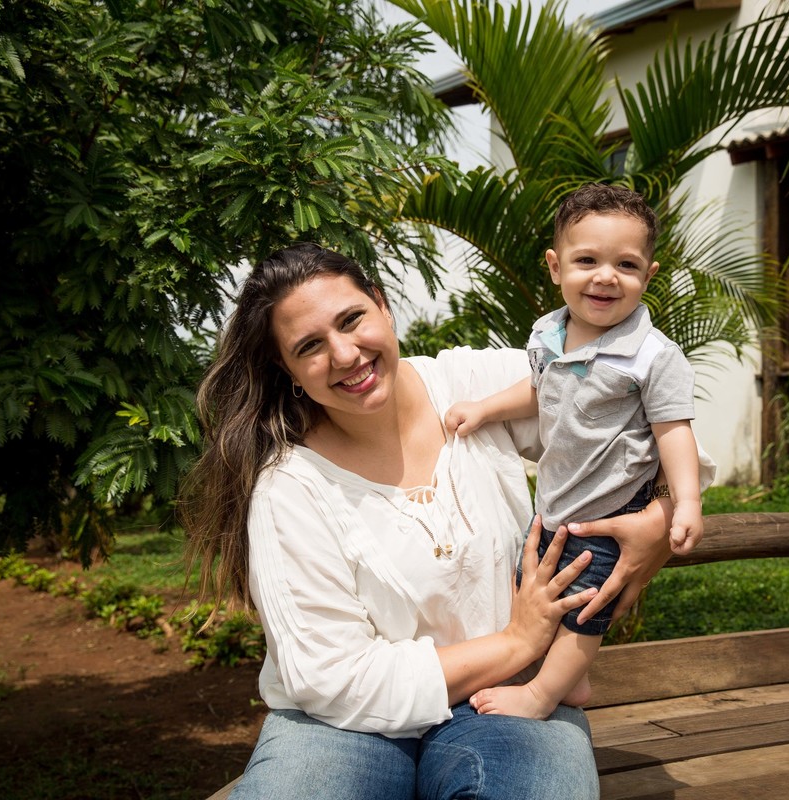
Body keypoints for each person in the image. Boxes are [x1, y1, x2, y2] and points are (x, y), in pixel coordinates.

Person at [180, 241, 690, 799]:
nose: (347, 354)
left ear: (381, 304)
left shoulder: (474, 384)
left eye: (353, 319)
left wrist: (660, 516)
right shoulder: (289, 487)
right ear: (288, 369)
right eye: (310, 346)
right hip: (340, 725)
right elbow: (331, 678)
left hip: (509, 703)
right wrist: (517, 645)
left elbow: (658, 421)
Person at [445, 183, 709, 720]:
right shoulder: (547, 334)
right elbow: (537, 388)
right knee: (531, 586)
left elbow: (674, 431)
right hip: (555, 505)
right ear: (555, 266)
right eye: (586, 259)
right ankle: (575, 679)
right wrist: (486, 409)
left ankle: (543, 696)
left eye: (626, 265)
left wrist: (687, 503)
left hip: (614, 514)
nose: (606, 276)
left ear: (648, 276)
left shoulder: (653, 357)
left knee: (588, 604)